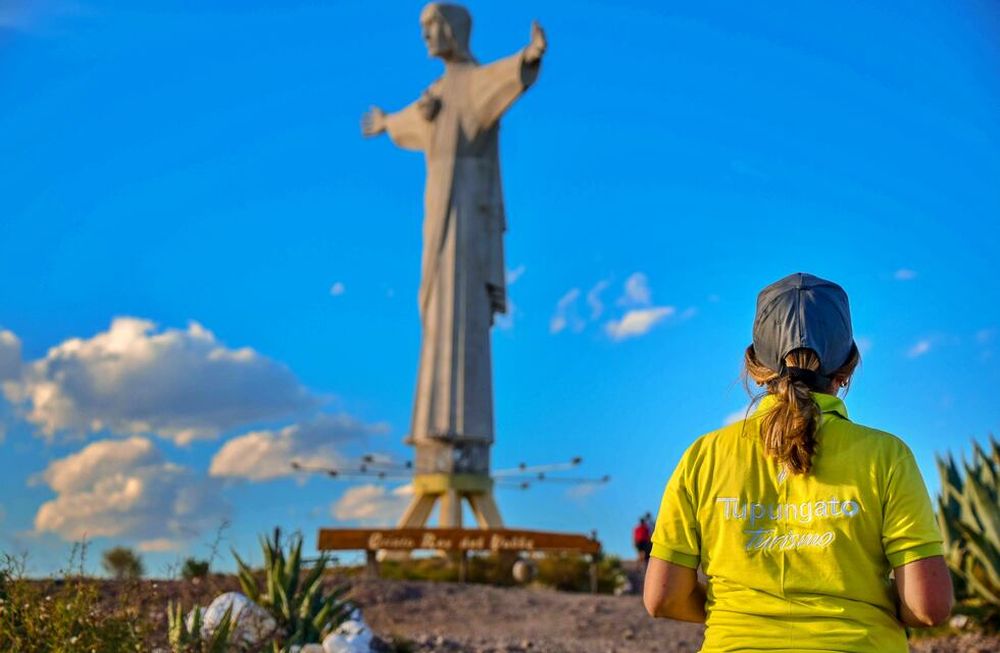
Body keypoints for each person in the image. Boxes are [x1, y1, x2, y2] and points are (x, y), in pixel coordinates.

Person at [643, 273, 952, 652]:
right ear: (849, 366)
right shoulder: (887, 457)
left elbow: (661, 598)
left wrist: (738, 611)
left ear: (754, 365)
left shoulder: (703, 457)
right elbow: (929, 607)